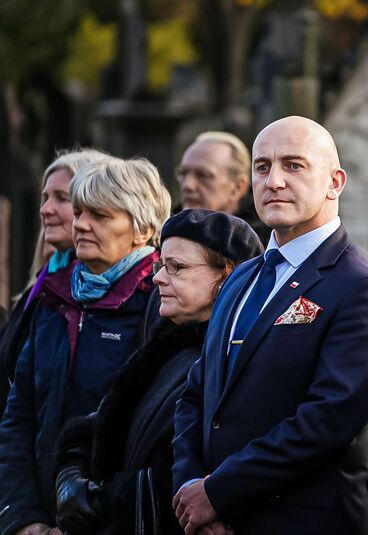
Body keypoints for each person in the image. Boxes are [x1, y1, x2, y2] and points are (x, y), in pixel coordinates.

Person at [171, 116, 368, 535]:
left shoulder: (365, 287)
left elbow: (328, 420)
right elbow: (196, 393)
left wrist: (220, 493)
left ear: (335, 182)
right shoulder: (242, 277)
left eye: (294, 165)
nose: (274, 180)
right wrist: (190, 486)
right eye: (262, 167)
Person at [52, 209, 263, 535]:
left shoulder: (238, 362)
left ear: (228, 275)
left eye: (176, 267)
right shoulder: (165, 345)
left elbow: (200, 478)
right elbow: (104, 419)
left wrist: (106, 501)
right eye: (161, 265)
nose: (157, 277)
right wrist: (71, 473)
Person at [0, 157, 171, 535]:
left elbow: (159, 438)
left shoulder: (161, 305)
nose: (80, 224)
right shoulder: (53, 296)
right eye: (78, 212)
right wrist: (23, 517)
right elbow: (20, 416)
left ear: (142, 229)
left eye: (100, 215)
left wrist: (99, 516)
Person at [0, 149, 109, 416]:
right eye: (45, 197)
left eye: (61, 198)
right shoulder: (47, 277)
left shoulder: (94, 291)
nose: (45, 209)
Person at [176, 131, 269, 242]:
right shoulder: (162, 234)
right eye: (183, 174)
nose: (187, 185)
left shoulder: (268, 248)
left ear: (238, 187)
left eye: (203, 175)